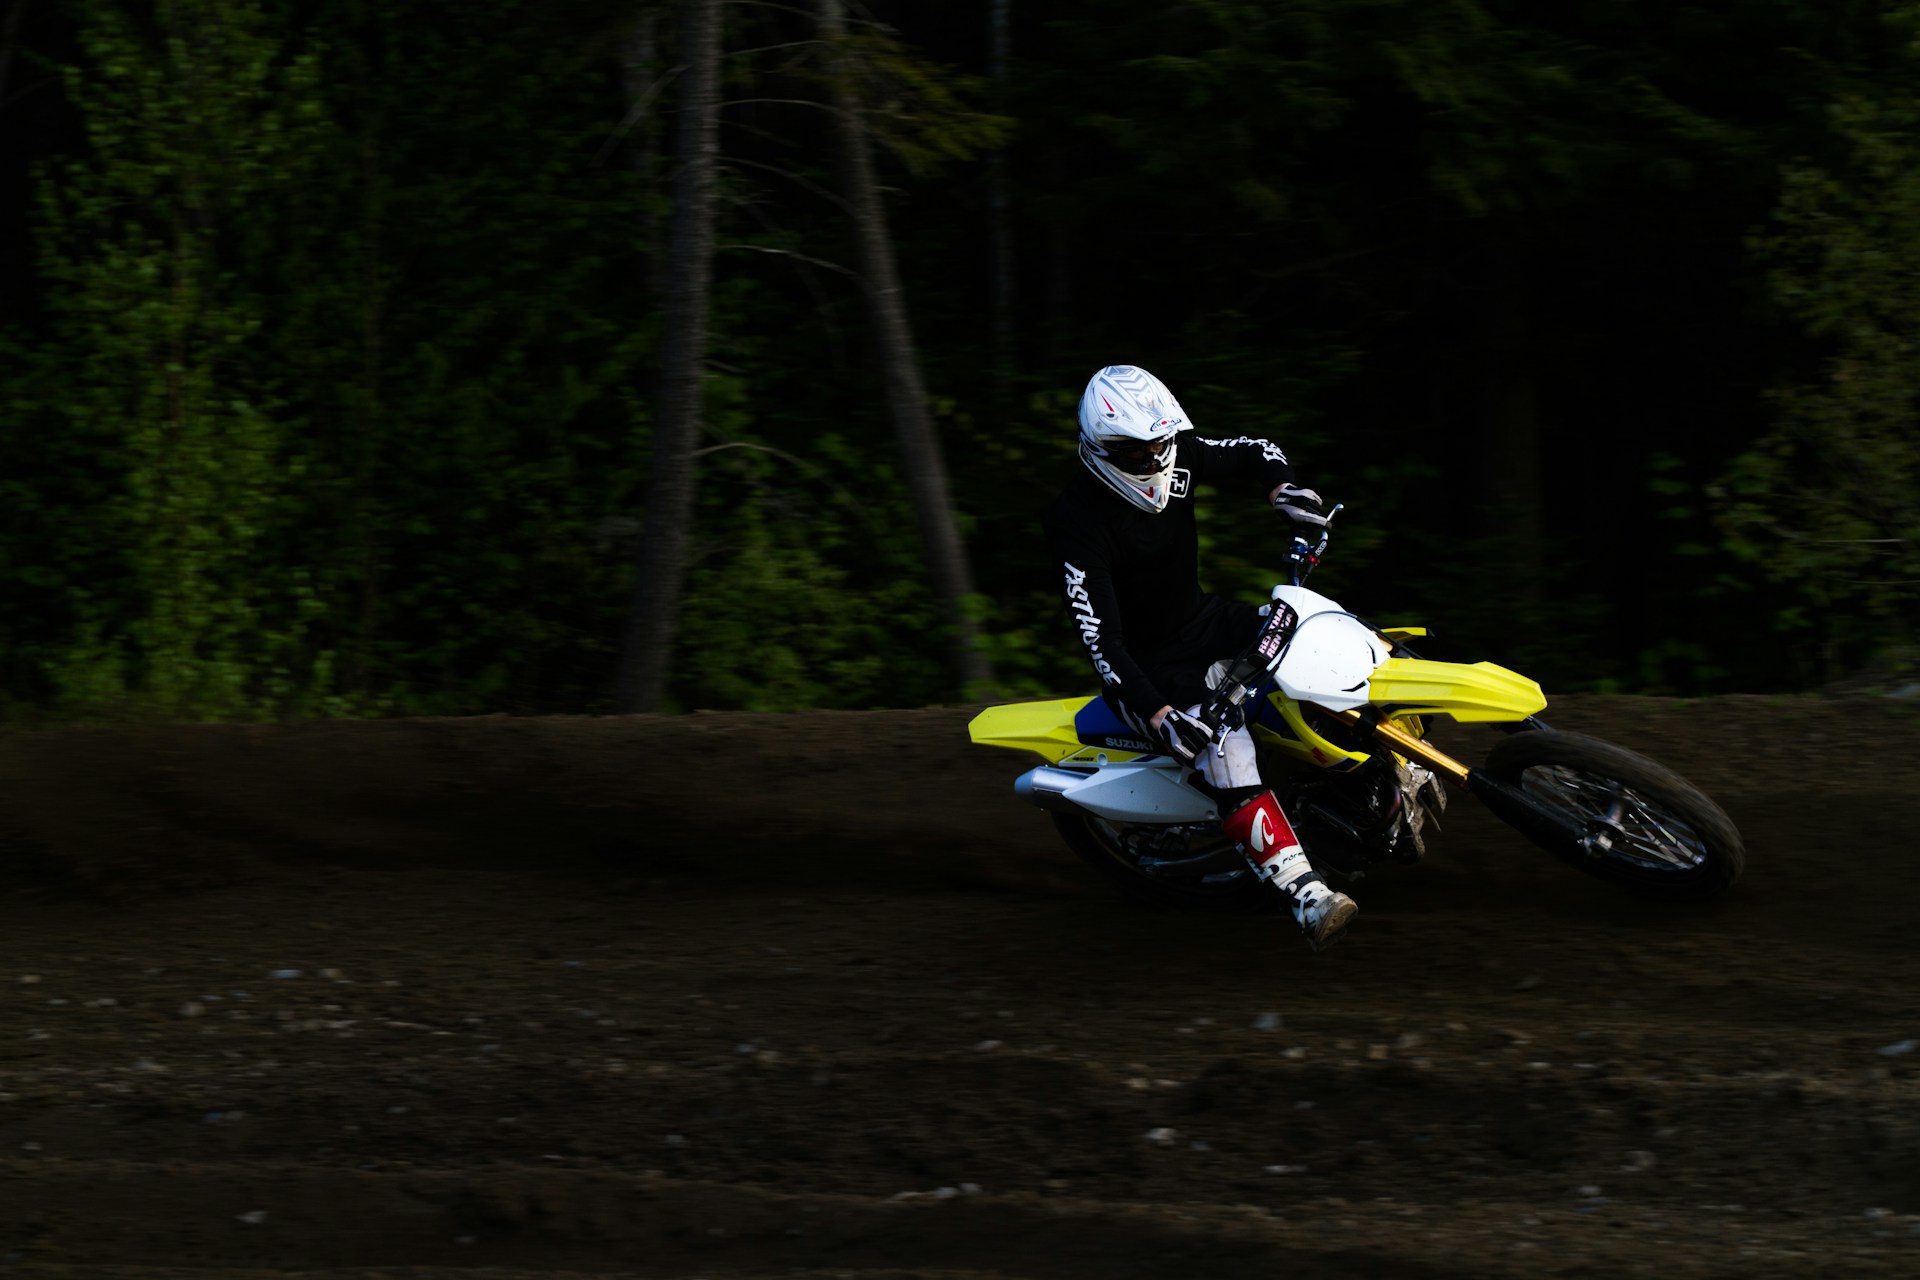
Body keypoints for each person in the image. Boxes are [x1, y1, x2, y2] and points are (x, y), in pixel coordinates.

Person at [1043, 364, 1359, 950]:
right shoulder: (1076, 520)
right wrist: (1159, 713)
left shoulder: (1176, 454)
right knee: (1224, 749)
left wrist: (1282, 488)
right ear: (1104, 449)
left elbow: (1252, 450)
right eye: (1142, 453)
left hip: (1204, 619)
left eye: (1163, 445)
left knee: (1323, 628)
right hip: (1150, 664)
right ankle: (1307, 898)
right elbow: (1100, 640)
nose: (1158, 461)